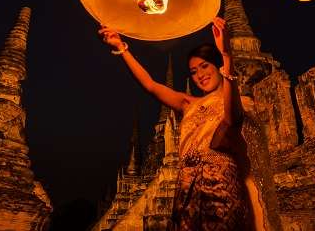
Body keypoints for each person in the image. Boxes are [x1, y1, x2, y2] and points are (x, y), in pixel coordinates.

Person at [98, 17, 249, 230]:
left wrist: (226, 54)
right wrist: (121, 47)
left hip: (221, 184)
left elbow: (232, 119)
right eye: (194, 72)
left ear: (218, 67)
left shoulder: (234, 102)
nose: (200, 75)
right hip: (186, 187)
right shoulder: (188, 103)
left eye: (205, 66)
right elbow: (150, 85)